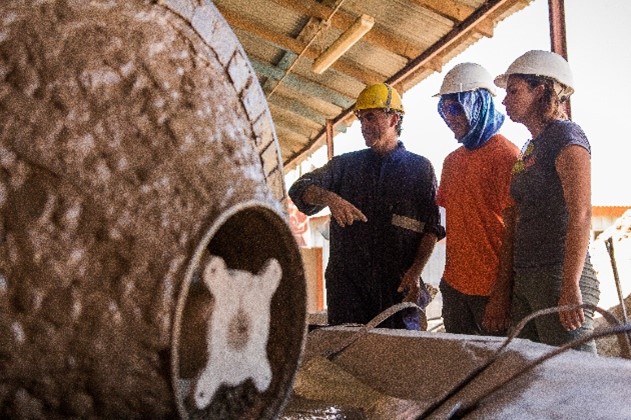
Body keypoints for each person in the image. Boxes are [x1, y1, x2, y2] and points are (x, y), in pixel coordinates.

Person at [288, 83, 445, 329]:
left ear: (394, 118)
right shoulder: (346, 165)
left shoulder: (419, 169)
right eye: (361, 118)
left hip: (397, 288)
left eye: (371, 117)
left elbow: (432, 229)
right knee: (347, 356)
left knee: (396, 357)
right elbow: (300, 187)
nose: (363, 125)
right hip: (348, 290)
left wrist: (415, 272)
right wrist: (330, 198)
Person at [484, 50, 600, 352]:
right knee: (529, 377)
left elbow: (581, 214)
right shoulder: (532, 147)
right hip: (529, 276)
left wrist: (570, 284)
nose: (505, 100)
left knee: (576, 380)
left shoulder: (567, 137)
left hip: (559, 275)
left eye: (513, 90)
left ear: (541, 90)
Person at [433, 63, 520, 336]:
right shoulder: (451, 162)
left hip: (491, 293)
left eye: (457, 108)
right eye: (445, 109)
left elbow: (513, 233)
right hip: (455, 288)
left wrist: (501, 296)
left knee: (498, 374)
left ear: (480, 104)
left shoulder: (507, 157)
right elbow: (457, 226)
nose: (450, 117)